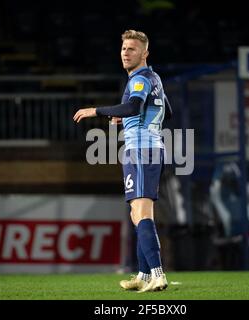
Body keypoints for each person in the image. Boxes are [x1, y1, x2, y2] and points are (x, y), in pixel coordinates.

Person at [73, 30, 172, 292]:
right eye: (124, 48)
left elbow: (133, 107)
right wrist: (126, 118)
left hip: (141, 150)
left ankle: (158, 275)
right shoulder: (154, 78)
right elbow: (166, 110)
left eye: (132, 49)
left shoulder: (140, 79)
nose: (126, 53)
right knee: (135, 213)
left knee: (142, 212)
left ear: (144, 53)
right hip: (148, 148)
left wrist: (96, 110)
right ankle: (142, 274)